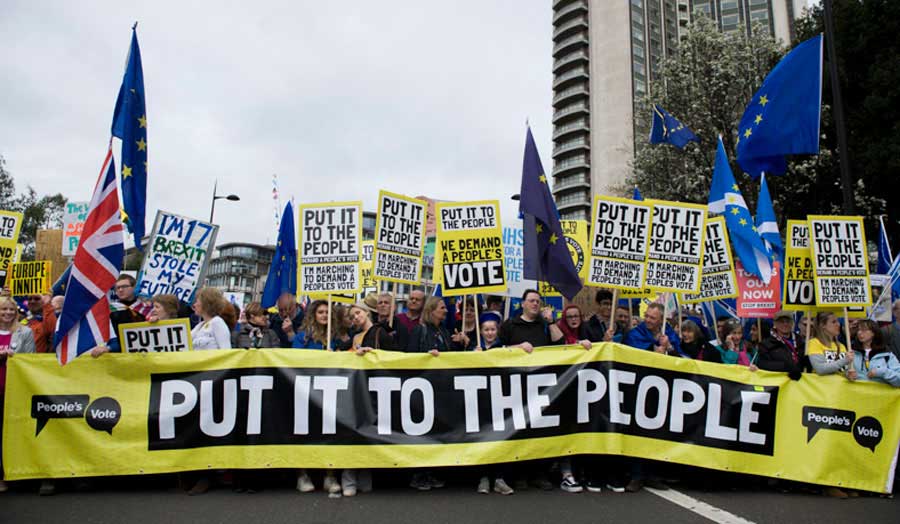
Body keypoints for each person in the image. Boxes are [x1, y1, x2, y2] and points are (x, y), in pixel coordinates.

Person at [0, 296, 36, 493]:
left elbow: (31, 360)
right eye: (4, 309)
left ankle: (14, 474)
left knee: (13, 433)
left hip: (13, 391)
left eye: (11, 310)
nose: (8, 313)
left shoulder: (25, 332)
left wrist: (17, 359)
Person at [498, 290, 584, 352]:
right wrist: (518, 347)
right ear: (523, 304)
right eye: (532, 301)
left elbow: (560, 343)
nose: (535, 304)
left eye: (538, 302)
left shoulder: (545, 324)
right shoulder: (510, 324)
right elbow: (499, 349)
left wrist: (551, 321)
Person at [848, 320, 900, 387]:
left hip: (881, 396)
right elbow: (845, 373)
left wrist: (882, 372)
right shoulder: (851, 353)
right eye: (858, 330)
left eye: (864, 330)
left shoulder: (887, 355)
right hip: (858, 396)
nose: (859, 333)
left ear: (873, 333)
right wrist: (848, 375)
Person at [757, 311, 804, 380]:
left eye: (788, 321)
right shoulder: (766, 344)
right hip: (778, 383)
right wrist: (786, 366)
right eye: (781, 322)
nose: (785, 324)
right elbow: (763, 364)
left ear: (792, 323)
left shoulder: (800, 341)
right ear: (775, 323)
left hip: (800, 383)